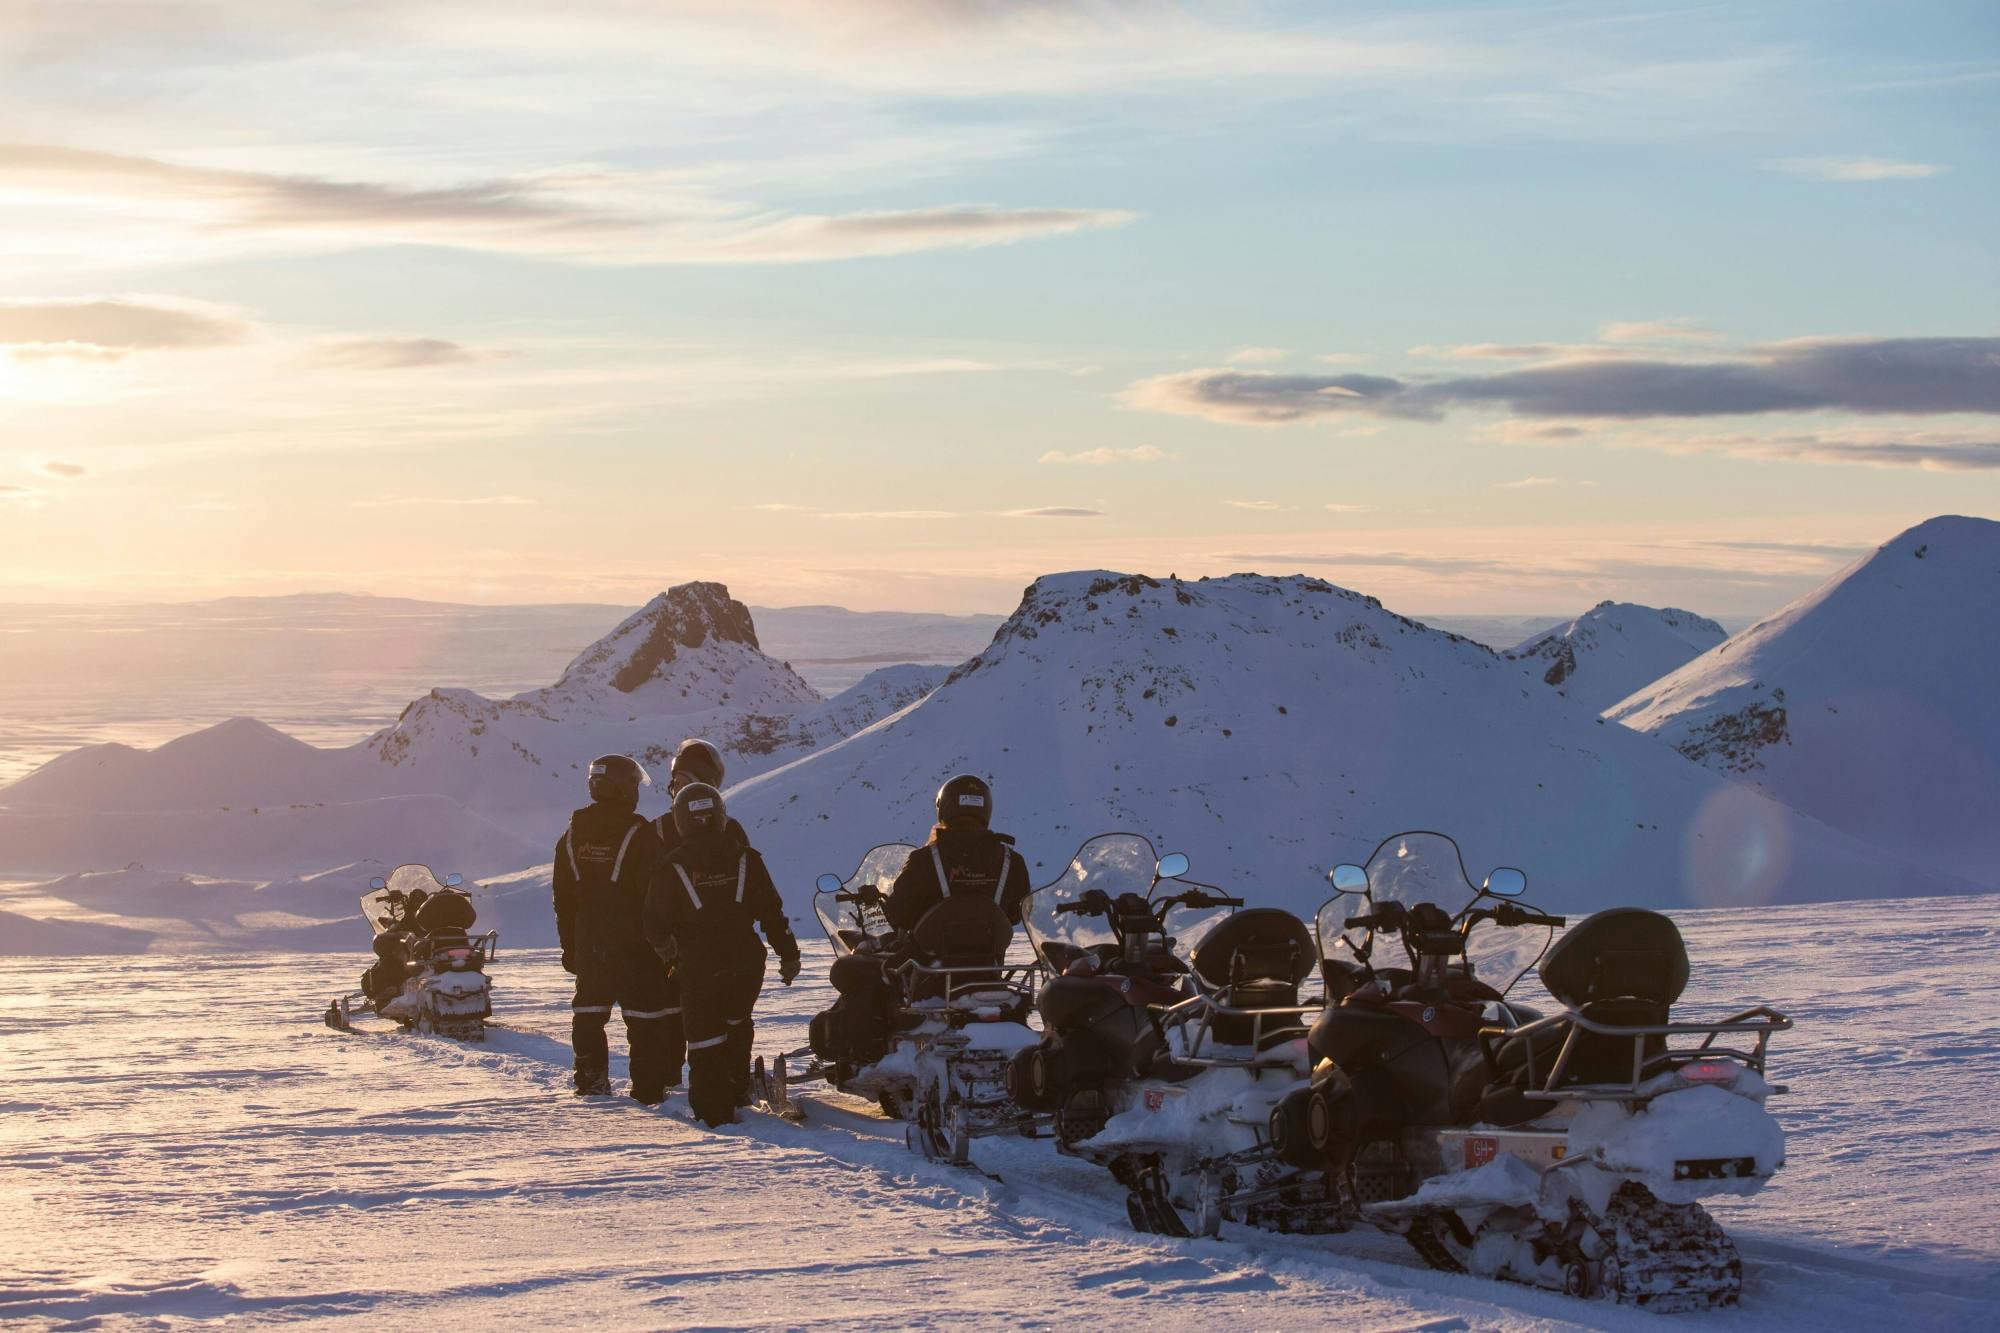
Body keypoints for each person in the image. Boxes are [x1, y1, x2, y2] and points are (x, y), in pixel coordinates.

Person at [646, 781, 801, 1126]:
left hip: (699, 965)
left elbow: (653, 924)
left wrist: (669, 957)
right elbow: (773, 913)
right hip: (746, 963)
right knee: (738, 1023)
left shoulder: (670, 867)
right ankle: (736, 1091)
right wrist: (788, 955)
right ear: (719, 816)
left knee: (705, 1038)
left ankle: (714, 1112)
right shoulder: (747, 859)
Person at [552, 754, 678, 1102]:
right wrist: (665, 944)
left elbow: (562, 899)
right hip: (636, 944)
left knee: (589, 1013)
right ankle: (649, 1089)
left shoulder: (571, 836)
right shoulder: (641, 833)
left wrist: (571, 947)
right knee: (645, 1017)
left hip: (589, 942)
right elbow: (657, 895)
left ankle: (590, 1082)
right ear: (624, 789)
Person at [883, 774, 1034, 935]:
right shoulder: (1012, 860)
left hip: (929, 957)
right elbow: (1017, 913)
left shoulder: (923, 859)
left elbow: (900, 914)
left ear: (944, 807)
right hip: (990, 958)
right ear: (986, 808)